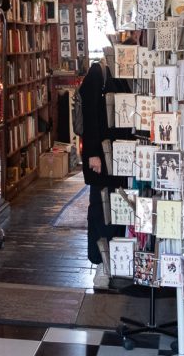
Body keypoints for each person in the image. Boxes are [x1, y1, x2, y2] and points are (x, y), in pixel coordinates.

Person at [80, 45, 128, 288]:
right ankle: (100, 263)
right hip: (101, 157)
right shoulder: (99, 72)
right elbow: (90, 117)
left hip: (126, 157)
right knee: (100, 207)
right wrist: (93, 154)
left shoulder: (131, 74)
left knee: (120, 207)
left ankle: (118, 261)